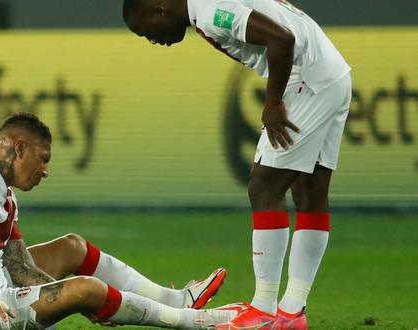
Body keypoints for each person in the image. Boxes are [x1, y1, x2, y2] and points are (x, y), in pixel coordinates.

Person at [122, 0, 352, 329]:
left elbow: (281, 39)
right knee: (310, 191)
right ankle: (291, 312)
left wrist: (273, 102)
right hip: (333, 74)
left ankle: (263, 308)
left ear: (159, 8)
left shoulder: (209, 10)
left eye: (146, 32)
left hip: (308, 80)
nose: (153, 40)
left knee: (264, 186)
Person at [0, 112, 240, 330]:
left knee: (72, 248)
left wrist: (74, 301)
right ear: (19, 148)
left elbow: (20, 269)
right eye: (43, 158)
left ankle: (177, 300)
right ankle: (196, 320)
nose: (45, 170)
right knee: (87, 287)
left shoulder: (4, 194)